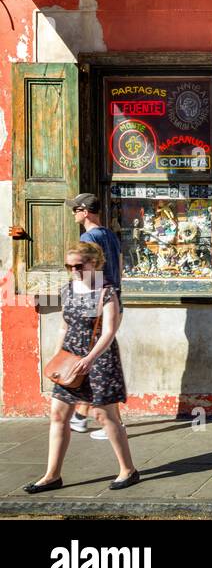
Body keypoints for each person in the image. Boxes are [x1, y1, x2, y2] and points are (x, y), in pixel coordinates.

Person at [25, 241, 138, 493]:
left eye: (79, 265)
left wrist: (90, 359)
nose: (73, 270)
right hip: (70, 357)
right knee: (57, 415)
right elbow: (64, 326)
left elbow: (109, 331)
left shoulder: (107, 293)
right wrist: (57, 356)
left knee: (104, 416)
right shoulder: (67, 289)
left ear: (94, 263)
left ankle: (127, 470)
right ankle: (52, 475)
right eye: (69, 266)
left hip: (99, 360)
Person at [68, 194, 122, 440]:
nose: (73, 215)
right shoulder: (110, 234)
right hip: (115, 299)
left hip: (97, 304)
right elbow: (120, 268)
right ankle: (81, 416)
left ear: (85, 211)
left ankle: (111, 423)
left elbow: (91, 275)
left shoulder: (88, 238)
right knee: (101, 359)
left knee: (96, 362)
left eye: (75, 210)